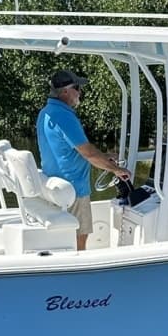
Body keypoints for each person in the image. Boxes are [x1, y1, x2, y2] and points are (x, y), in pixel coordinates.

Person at [36, 68, 130, 250]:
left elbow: (72, 150)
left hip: (56, 187)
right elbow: (89, 154)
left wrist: (105, 157)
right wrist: (118, 170)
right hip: (73, 190)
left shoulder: (46, 112)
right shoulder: (64, 115)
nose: (80, 92)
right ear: (65, 91)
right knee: (79, 240)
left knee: (69, 239)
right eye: (77, 88)